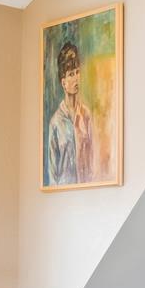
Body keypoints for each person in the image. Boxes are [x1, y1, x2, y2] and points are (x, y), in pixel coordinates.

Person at [46, 42, 97, 185]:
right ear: (63, 82)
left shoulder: (86, 115)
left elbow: (92, 163)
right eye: (70, 74)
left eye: (77, 72)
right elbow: (52, 172)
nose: (75, 78)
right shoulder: (55, 122)